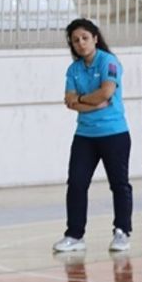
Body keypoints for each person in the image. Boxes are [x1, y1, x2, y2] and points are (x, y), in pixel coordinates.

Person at [53, 18, 132, 253]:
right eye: (75, 40)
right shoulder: (73, 69)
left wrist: (82, 100)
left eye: (85, 38)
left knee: (119, 184)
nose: (81, 43)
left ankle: (122, 231)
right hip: (85, 135)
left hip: (114, 133)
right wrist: (91, 102)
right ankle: (75, 235)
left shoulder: (109, 62)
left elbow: (106, 93)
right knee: (76, 183)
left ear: (95, 38)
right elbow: (70, 101)